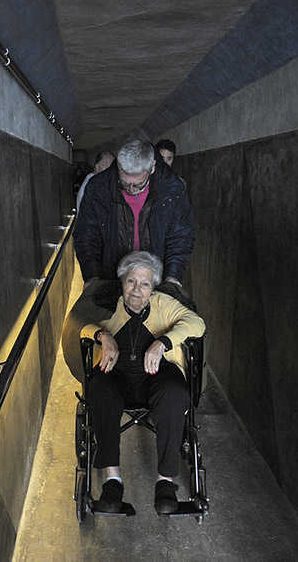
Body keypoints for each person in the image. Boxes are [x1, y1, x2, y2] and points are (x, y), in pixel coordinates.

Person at [80, 251, 206, 514]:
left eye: (145, 283)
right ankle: (112, 484)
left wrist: (163, 343)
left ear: (153, 287)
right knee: (99, 389)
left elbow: (197, 323)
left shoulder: (163, 303)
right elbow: (78, 326)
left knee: (174, 392)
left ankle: (166, 485)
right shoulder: (107, 303)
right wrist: (103, 335)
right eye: (131, 282)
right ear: (122, 282)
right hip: (117, 376)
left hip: (158, 375)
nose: (137, 290)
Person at [74, 138, 193, 291]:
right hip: (111, 277)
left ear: (152, 169)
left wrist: (173, 277)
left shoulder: (173, 188)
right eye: (124, 182)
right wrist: (92, 276)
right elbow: (86, 234)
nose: (130, 189)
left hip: (156, 280)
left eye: (137, 184)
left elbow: (181, 235)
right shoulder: (98, 187)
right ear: (118, 167)